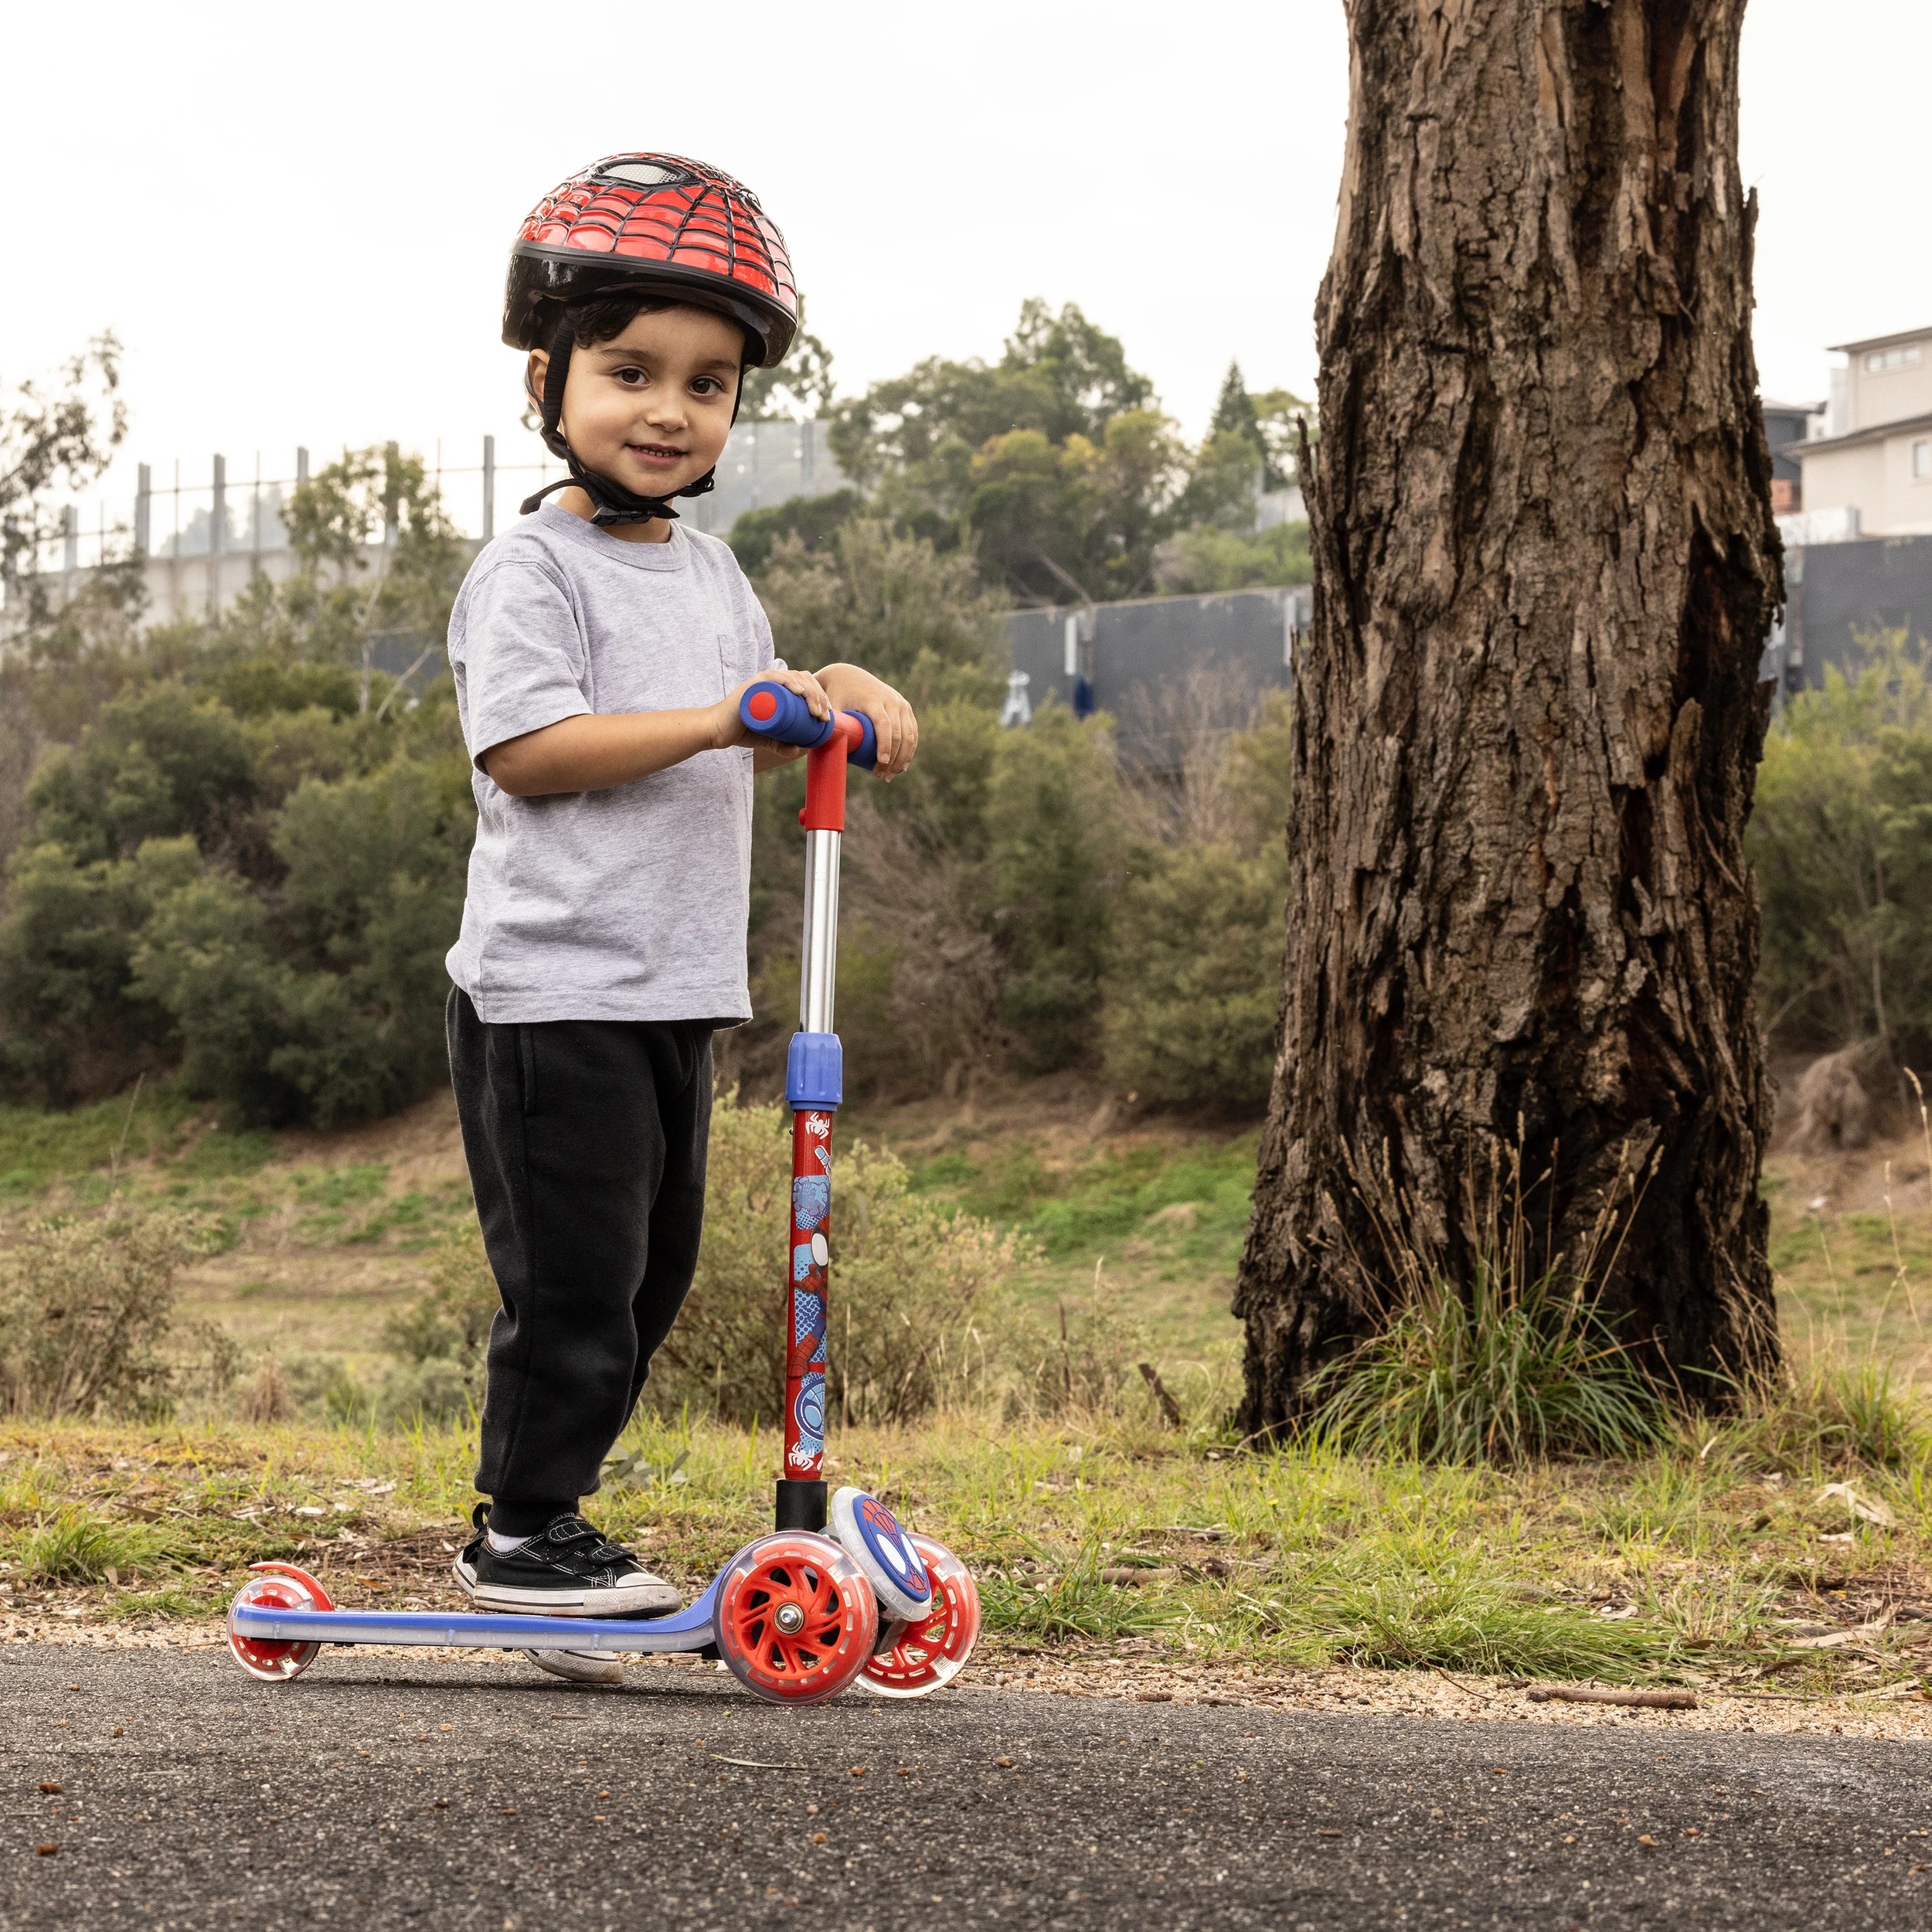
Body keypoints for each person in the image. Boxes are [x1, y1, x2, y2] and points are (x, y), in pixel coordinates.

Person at [440, 154, 917, 1682]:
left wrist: (832, 690)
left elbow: (762, 702)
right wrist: (719, 717)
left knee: (643, 1284)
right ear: (548, 376)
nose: (666, 408)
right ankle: (523, 1530)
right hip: (549, 992)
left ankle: (555, 1543)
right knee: (572, 1281)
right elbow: (529, 750)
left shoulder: (710, 572)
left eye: (705, 383)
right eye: (628, 369)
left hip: (669, 988)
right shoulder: (529, 571)